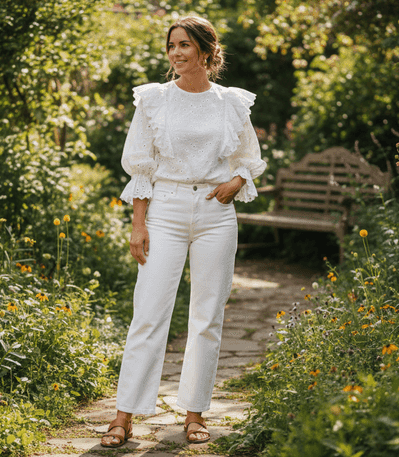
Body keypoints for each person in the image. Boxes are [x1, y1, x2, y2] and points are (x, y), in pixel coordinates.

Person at [100, 15, 266, 448]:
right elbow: (141, 163)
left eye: (185, 45)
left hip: (215, 215)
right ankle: (124, 416)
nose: (175, 53)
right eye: (171, 45)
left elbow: (250, 157)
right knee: (149, 313)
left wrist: (237, 181)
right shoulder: (153, 99)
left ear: (206, 53)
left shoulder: (231, 102)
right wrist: (139, 224)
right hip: (166, 211)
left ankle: (194, 415)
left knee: (207, 317)